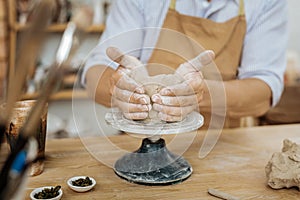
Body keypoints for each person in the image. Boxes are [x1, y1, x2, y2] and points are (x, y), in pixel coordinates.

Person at [82, 0, 288, 128]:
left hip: (226, 145)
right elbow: (95, 75)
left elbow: (264, 91)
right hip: (139, 143)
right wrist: (120, 88)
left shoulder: (266, 2)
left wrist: (199, 94)